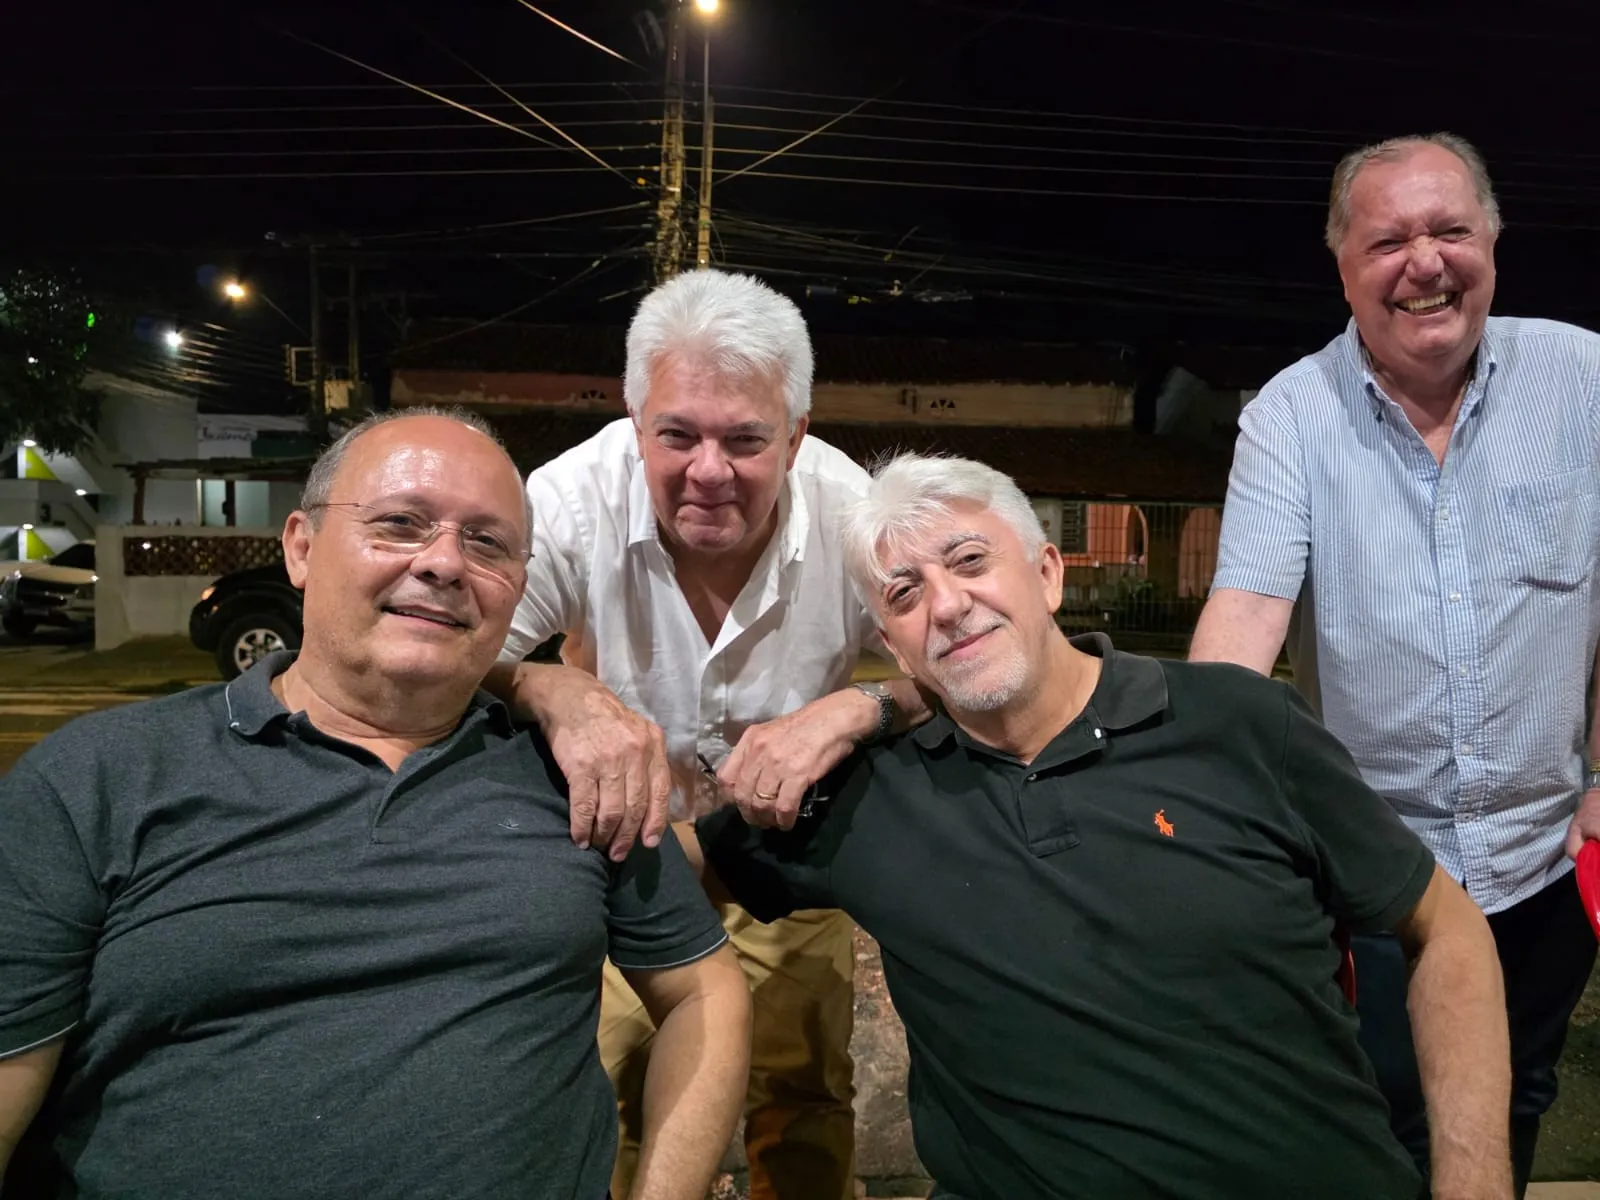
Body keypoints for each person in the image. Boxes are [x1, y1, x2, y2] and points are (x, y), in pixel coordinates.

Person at [692, 452, 1514, 1200]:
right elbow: (669, 872)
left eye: (970, 561)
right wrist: (595, 717)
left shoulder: (1239, 723)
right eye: (905, 594)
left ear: (1048, 574)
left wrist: (1472, 1183)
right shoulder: (870, 795)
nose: (946, 604)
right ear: (893, 646)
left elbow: (1446, 927)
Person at [0, 408, 750, 1200]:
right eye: (399, 524)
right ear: (301, 546)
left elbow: (704, 990)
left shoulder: (581, 770)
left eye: (487, 543)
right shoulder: (100, 778)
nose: (445, 562)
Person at [1189, 132, 1600, 1197]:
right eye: (1387, 242)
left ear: (1493, 241)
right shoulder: (1291, 414)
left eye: (1449, 230)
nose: (1424, 262)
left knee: (1515, 1099)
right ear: (1343, 267)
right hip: (1374, 871)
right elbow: (1246, 617)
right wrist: (1194, 800)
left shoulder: (1583, 378)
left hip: (1543, 860)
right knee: (1376, 1115)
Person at [488, 268, 930, 1200]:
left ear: (797, 435)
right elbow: (449, 659)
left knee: (806, 1096)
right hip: (623, 852)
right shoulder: (566, 502)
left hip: (785, 847)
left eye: (746, 439)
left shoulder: (853, 513)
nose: (709, 471)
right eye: (677, 434)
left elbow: (970, 668)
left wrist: (860, 706)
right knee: (603, 1090)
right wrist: (544, 684)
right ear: (634, 418)